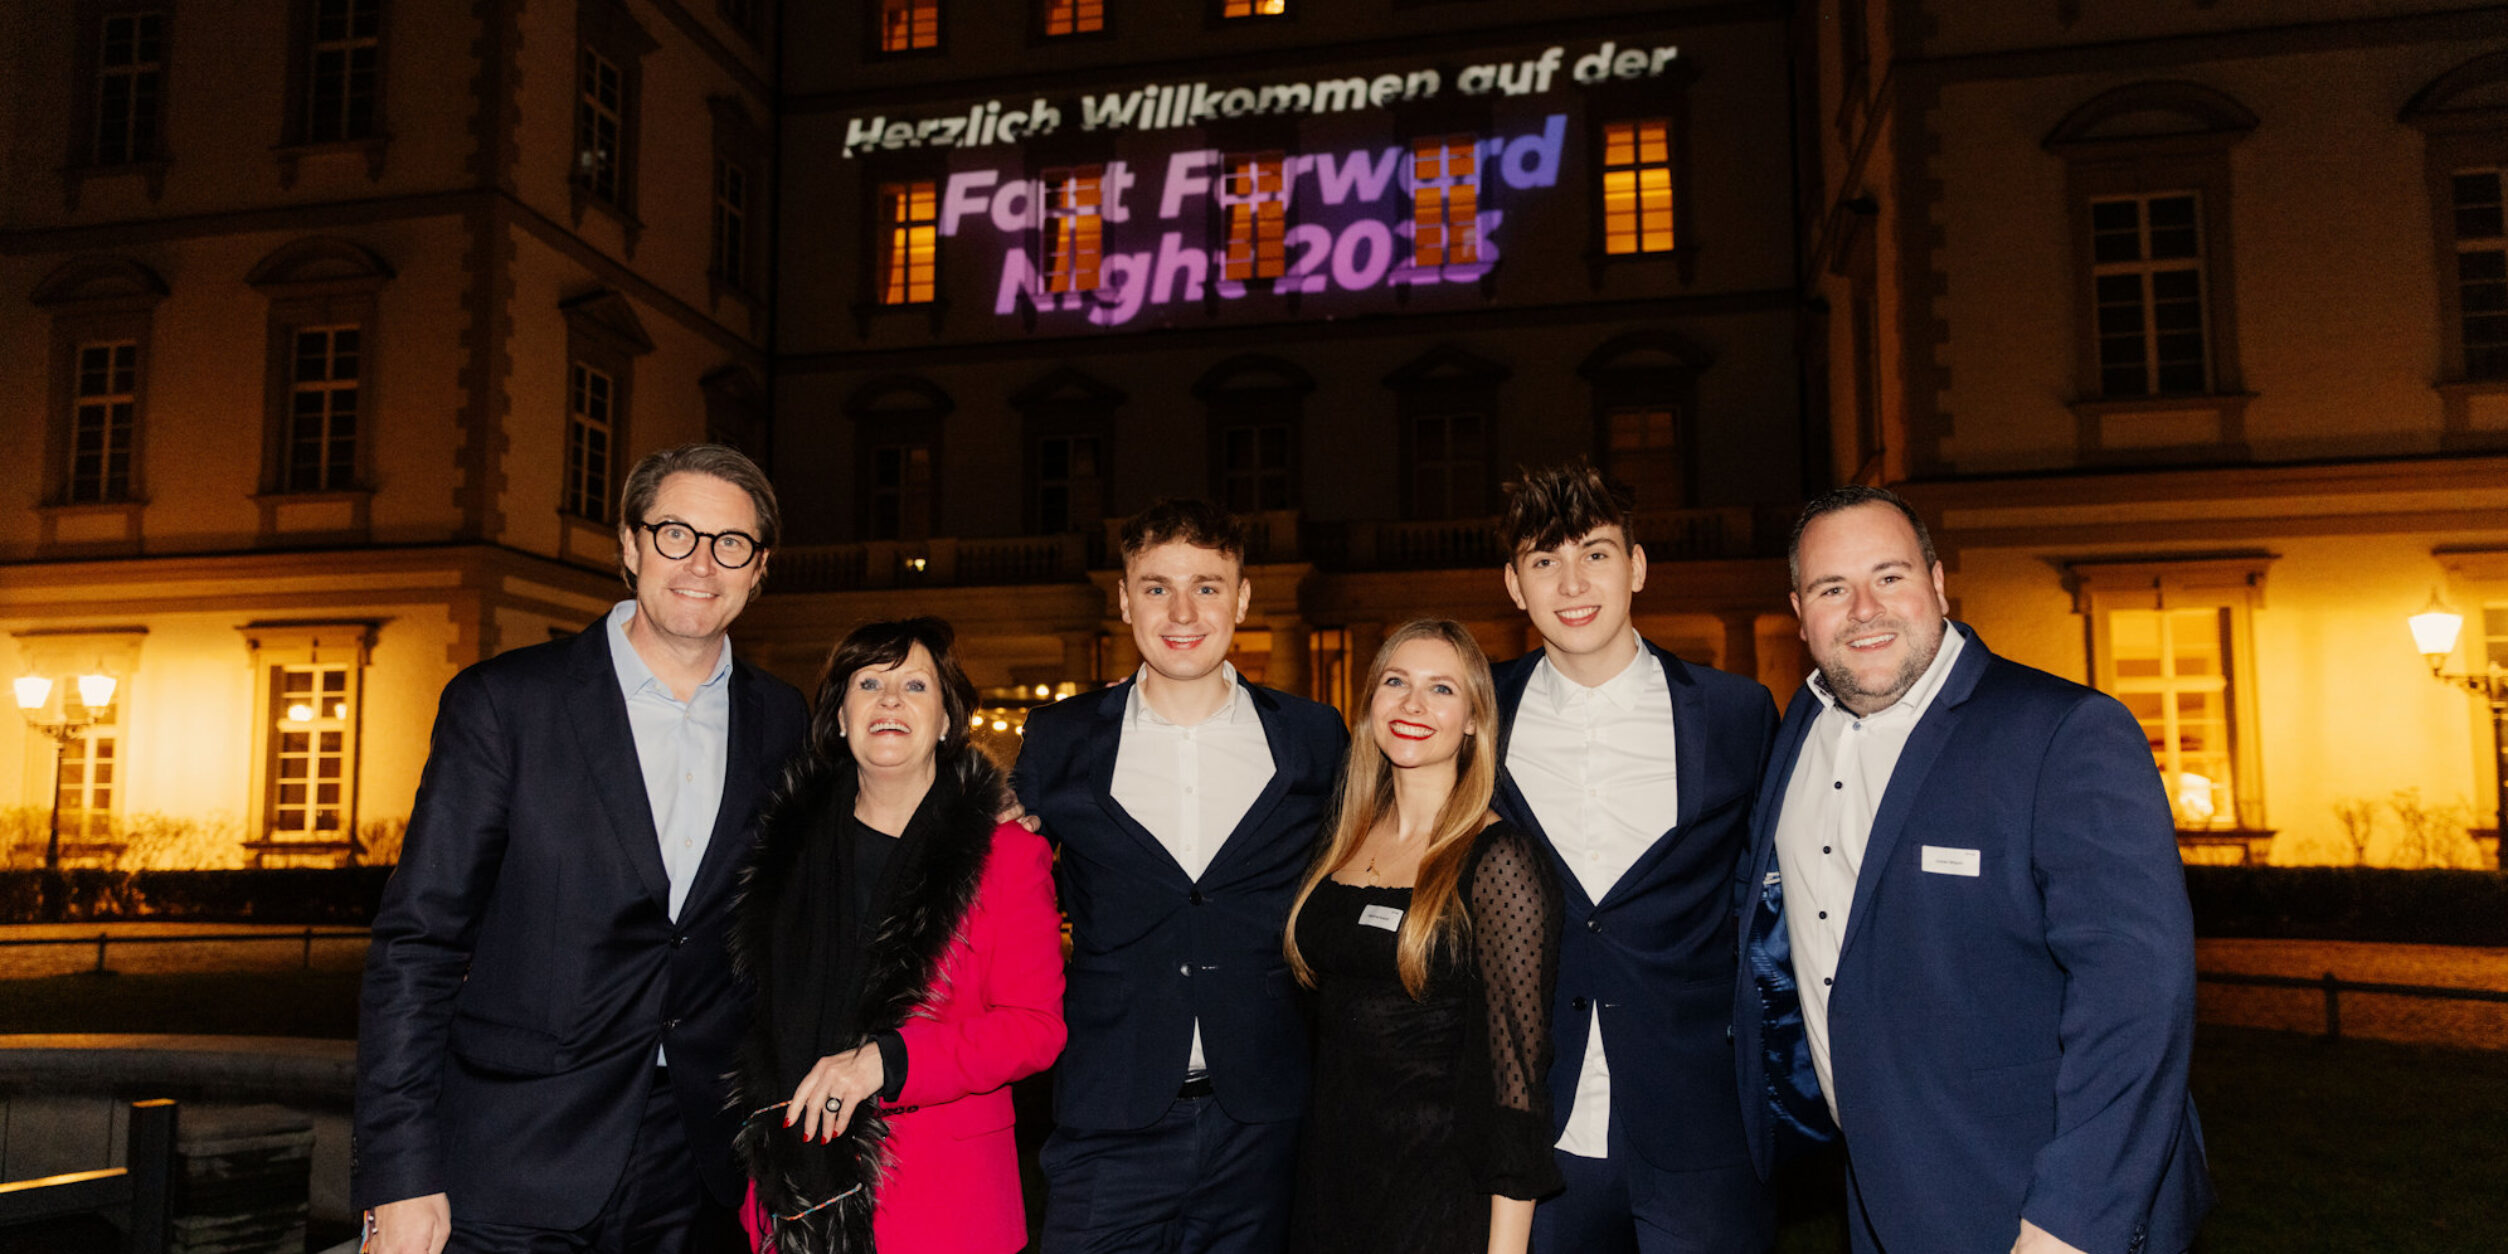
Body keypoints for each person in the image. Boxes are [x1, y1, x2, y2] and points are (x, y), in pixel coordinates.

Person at [1732, 486, 2213, 1254]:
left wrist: (2070, 1221)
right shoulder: (1801, 728)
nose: (1864, 608)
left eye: (1889, 576)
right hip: (1880, 1192)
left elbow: (2138, 999)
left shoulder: (2062, 732)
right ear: (1799, 610)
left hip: (2037, 1204)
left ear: (1939, 584)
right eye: (1833, 588)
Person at [355, 444, 810, 1254]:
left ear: (758, 567)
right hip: (507, 1163)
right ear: (630, 546)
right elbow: (417, 945)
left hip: (696, 1167)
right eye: (675, 533)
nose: (701, 562)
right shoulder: (507, 704)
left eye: (729, 543)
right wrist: (397, 1173)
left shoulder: (783, 721)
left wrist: (994, 817)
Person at [1012, 498, 1348, 1254]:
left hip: (1264, 1120)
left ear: (1242, 597)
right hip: (1109, 1114)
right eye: (1158, 586)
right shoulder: (1061, 738)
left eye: (1207, 584)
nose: (1183, 610)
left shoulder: (1311, 736)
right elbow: (1002, 886)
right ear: (1124, 597)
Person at [1486, 461, 1780, 1254]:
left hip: (1700, 1124)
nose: (1572, 582)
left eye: (1596, 553)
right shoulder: (1475, 713)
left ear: (1638, 567)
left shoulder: (1735, 714)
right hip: (1530, 1127)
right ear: (1515, 585)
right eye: (1544, 561)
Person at [729, 617, 1065, 1254]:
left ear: (945, 720)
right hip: (789, 1199)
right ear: (838, 717)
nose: (889, 700)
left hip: (943, 1203)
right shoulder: (781, 849)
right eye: (869, 682)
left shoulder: (1004, 853)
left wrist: (890, 1060)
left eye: (915, 685)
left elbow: (1035, 1028)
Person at [1285, 618, 1564, 1254]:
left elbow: (1517, 1080)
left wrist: (1506, 1248)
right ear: (1370, 703)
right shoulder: (1340, 839)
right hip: (1331, 1181)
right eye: (1396, 682)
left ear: (1473, 719)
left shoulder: (1500, 859)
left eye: (1442, 689)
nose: (1413, 704)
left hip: (1438, 1193)